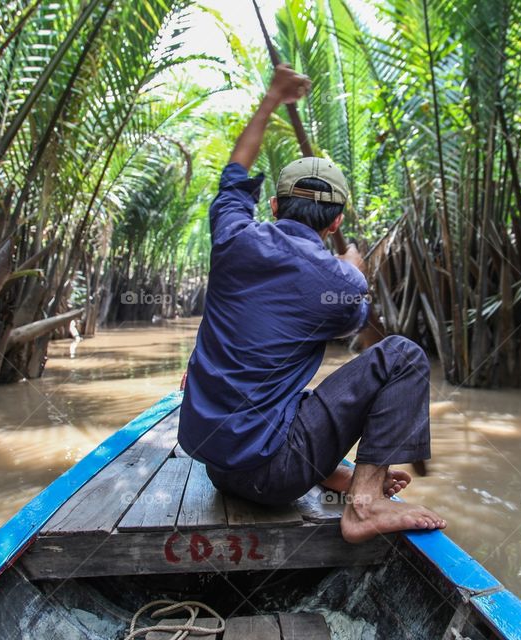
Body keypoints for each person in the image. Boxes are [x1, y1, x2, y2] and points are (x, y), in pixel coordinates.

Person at [178, 64, 446, 543]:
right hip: (271, 475)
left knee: (281, 393)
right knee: (402, 356)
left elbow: (235, 173)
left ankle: (336, 476)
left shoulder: (232, 235)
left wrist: (272, 98)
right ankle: (364, 505)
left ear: (275, 207)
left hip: (214, 463)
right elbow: (355, 316)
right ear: (336, 220)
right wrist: (355, 268)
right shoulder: (339, 280)